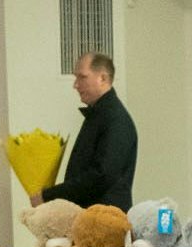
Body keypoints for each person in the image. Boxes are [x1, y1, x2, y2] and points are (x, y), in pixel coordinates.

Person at [34, 53, 136, 211]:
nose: (75, 85)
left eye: (82, 77)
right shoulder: (100, 116)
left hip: (104, 223)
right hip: (94, 218)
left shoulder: (115, 119)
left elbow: (101, 177)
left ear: (102, 78)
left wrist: (49, 196)